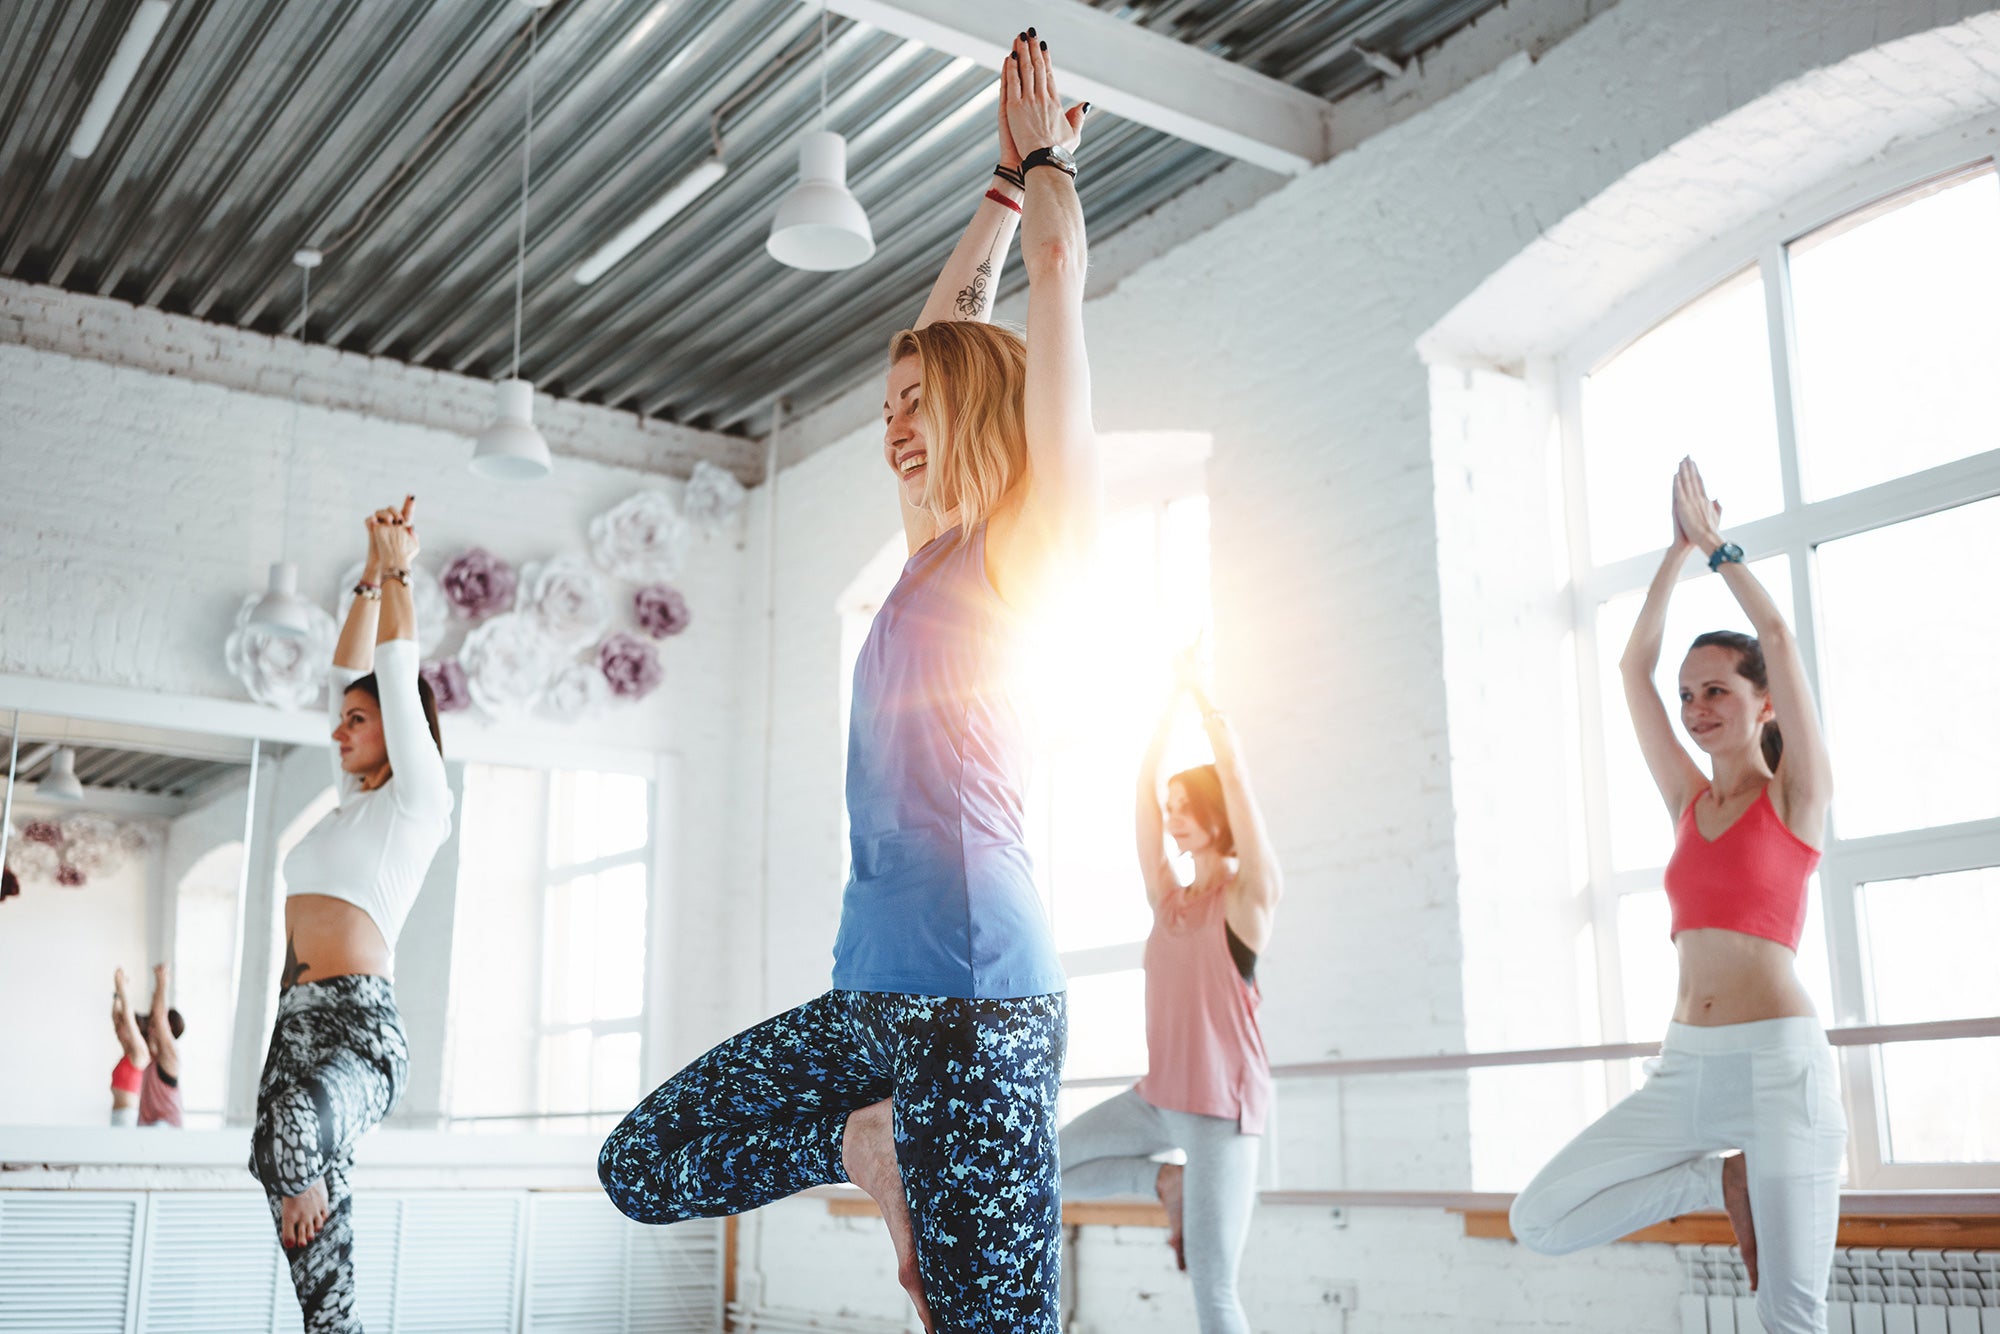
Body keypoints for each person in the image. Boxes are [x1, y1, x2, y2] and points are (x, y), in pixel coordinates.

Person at [599, 33, 1095, 1334]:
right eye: (886, 402)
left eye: (917, 397)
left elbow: (1050, 277)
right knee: (641, 1165)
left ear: (979, 409)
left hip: (980, 1011)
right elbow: (950, 323)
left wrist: (1040, 162)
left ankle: (875, 1140)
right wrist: (990, 186)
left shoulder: (1025, 554)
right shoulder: (920, 566)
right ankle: (858, 1143)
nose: (893, 420)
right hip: (871, 995)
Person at [1511, 459, 1846, 1333]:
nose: (1696, 708)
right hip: (1685, 1068)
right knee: (1538, 1218)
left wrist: (1717, 552)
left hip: (1779, 1068)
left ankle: (1736, 1178)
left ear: (1764, 704)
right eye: (1689, 695)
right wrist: (1670, 553)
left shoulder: (1797, 796)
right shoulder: (1686, 801)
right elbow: (1632, 667)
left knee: (1790, 1314)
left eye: (1718, 692)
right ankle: (1714, 1177)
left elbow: (1778, 630)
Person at [250, 497, 452, 1334]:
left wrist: (402, 566)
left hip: (358, 1031)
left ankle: (312, 1172)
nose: (339, 731)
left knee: (293, 1132)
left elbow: (390, 676)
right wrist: (368, 571)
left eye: (356, 723)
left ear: (397, 735)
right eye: (341, 723)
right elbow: (348, 672)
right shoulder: (349, 804)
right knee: (321, 1296)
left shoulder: (418, 802)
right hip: (292, 1025)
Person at [1058, 649, 1280, 1334]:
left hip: (1221, 1109)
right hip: (1159, 1096)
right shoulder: (1169, 902)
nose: (1174, 817)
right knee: (1045, 1171)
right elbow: (1141, 797)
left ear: (1217, 816)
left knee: (1214, 1289)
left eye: (1188, 808)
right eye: (1173, 808)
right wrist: (1163, 713)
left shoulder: (1248, 899)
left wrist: (1200, 698)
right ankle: (1163, 1183)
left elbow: (1237, 779)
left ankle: (1174, 1182)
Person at [109, 963, 184, 1128]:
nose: (151, 1027)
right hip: (144, 1126)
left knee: (158, 1127)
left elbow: (158, 1017)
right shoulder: (146, 1053)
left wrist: (161, 982)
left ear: (168, 1028)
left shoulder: (169, 1057)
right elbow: (120, 1022)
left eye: (155, 1025)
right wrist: (117, 993)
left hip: (165, 1127)